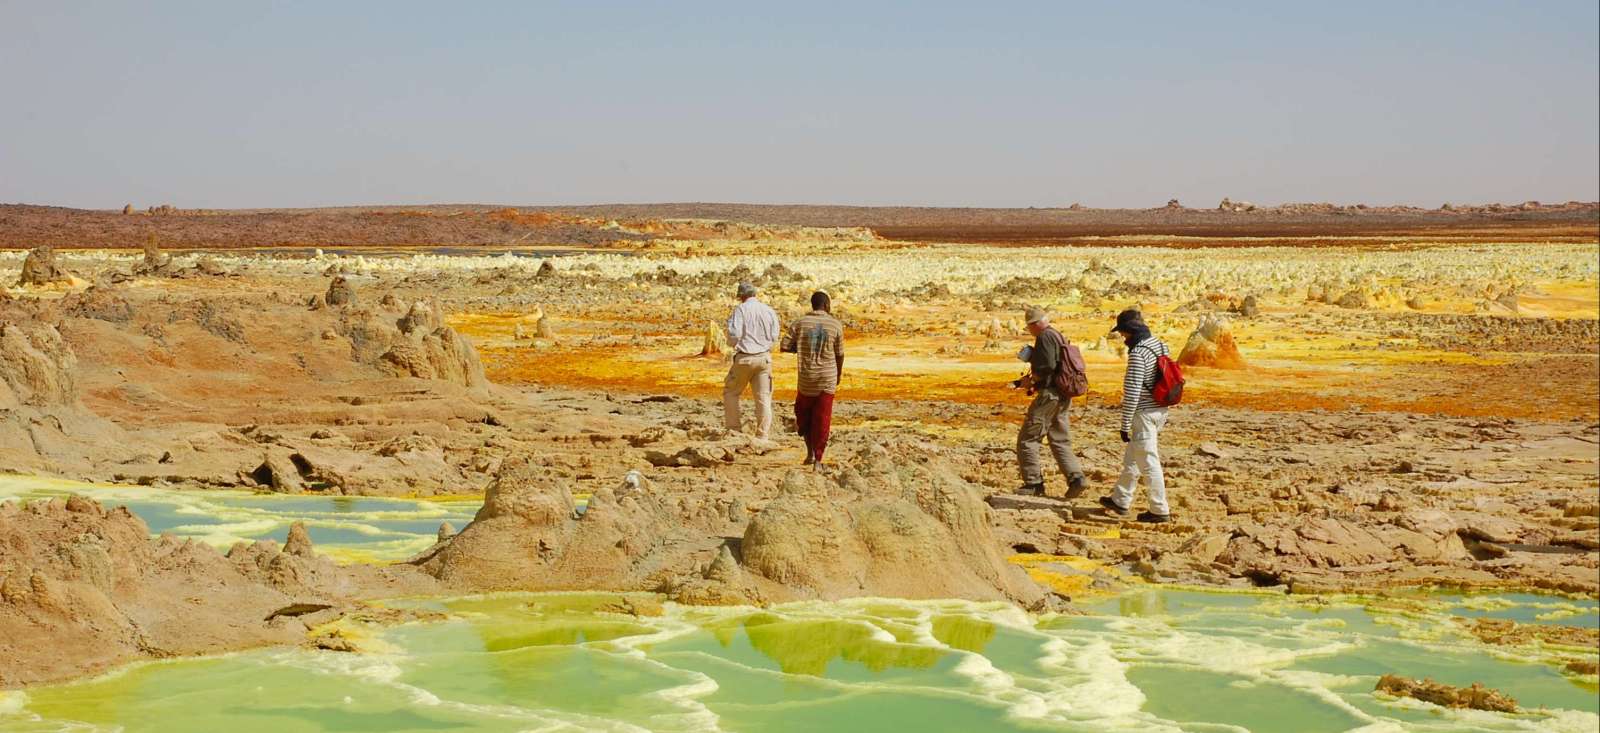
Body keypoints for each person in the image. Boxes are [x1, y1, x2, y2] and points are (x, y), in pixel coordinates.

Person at [1100, 308, 1172, 523]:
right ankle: (1120, 499)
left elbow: (1132, 391)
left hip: (1144, 414)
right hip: (1161, 410)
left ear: (1130, 331)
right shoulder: (1160, 344)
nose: (1122, 337)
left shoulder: (1138, 353)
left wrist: (1125, 424)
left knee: (1149, 461)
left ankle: (1160, 510)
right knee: (1134, 456)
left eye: (1123, 333)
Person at [1015, 306, 1087, 497]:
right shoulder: (1057, 335)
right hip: (1063, 394)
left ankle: (1033, 483)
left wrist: (1031, 380)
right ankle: (1076, 478)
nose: (1029, 331)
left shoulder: (1045, 337)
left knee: (1028, 438)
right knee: (1059, 438)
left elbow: (1047, 367)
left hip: (1050, 395)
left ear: (1035, 324)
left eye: (1029, 327)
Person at [781, 291, 844, 468]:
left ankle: (809, 452)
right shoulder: (835, 325)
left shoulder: (800, 323)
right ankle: (818, 459)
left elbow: (784, 346)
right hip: (827, 378)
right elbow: (840, 354)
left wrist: (800, 348)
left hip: (806, 378)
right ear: (826, 305)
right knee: (822, 418)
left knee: (804, 415)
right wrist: (838, 374)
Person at [723, 282, 779, 440]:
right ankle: (762, 436)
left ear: (741, 296)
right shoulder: (768, 310)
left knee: (731, 393)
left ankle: (734, 430)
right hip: (764, 358)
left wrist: (733, 345)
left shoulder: (740, 310)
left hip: (745, 357)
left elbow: (734, 334)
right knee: (763, 397)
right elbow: (774, 335)